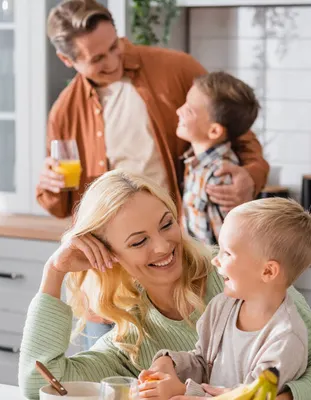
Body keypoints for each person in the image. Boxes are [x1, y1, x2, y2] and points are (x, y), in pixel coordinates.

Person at [37, 0, 269, 346]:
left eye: (114, 46)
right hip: (111, 283)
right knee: (112, 381)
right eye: (97, 59)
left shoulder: (176, 69)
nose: (113, 61)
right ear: (68, 61)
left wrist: (249, 176)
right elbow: (62, 205)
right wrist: (50, 185)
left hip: (179, 262)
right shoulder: (65, 111)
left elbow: (238, 135)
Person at [18, 170, 311, 400]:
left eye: (166, 224)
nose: (162, 247)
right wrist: (54, 272)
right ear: (109, 255)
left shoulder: (236, 274)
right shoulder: (130, 336)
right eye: (138, 242)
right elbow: (40, 386)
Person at [138, 198, 311, 399]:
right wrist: (169, 362)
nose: (216, 259)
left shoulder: (285, 340)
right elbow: (203, 363)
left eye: (228, 253)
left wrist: (183, 391)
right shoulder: (221, 307)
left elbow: (248, 397)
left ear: (267, 271)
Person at [177, 71, 260, 245]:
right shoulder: (196, 164)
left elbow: (228, 248)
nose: (178, 111)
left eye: (189, 110)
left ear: (214, 131)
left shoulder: (219, 176)